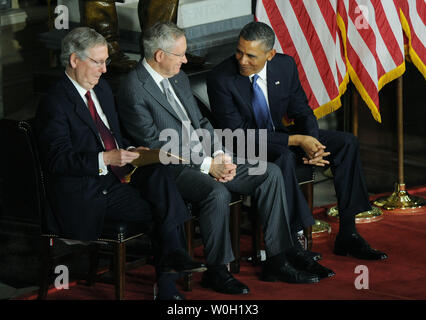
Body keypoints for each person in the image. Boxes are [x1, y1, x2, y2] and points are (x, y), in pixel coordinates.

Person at [116, 21, 335, 295]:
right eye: (180, 54)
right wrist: (209, 166)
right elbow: (157, 145)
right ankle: (218, 271)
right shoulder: (133, 89)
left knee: (269, 173)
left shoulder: (178, 77)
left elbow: (202, 123)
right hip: (171, 167)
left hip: (210, 156)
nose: (186, 60)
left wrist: (221, 154)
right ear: (160, 55)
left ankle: (277, 259)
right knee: (216, 192)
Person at [35, 27, 206, 300]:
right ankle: (167, 280)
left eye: (106, 61)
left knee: (160, 171)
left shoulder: (101, 88)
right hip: (87, 188)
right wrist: (104, 158)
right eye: (97, 62)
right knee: (160, 206)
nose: (104, 70)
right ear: (74, 60)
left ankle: (173, 259)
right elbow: (57, 159)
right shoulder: (55, 102)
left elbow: (113, 135)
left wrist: (130, 149)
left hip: (117, 175)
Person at [206, 21, 388, 261]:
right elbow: (238, 134)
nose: (242, 60)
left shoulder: (285, 65)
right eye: (239, 51)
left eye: (251, 55)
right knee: (283, 157)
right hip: (245, 145)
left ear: (270, 55)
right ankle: (292, 240)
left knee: (346, 143)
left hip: (280, 136)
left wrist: (312, 143)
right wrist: (296, 140)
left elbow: (302, 110)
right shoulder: (221, 77)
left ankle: (348, 233)